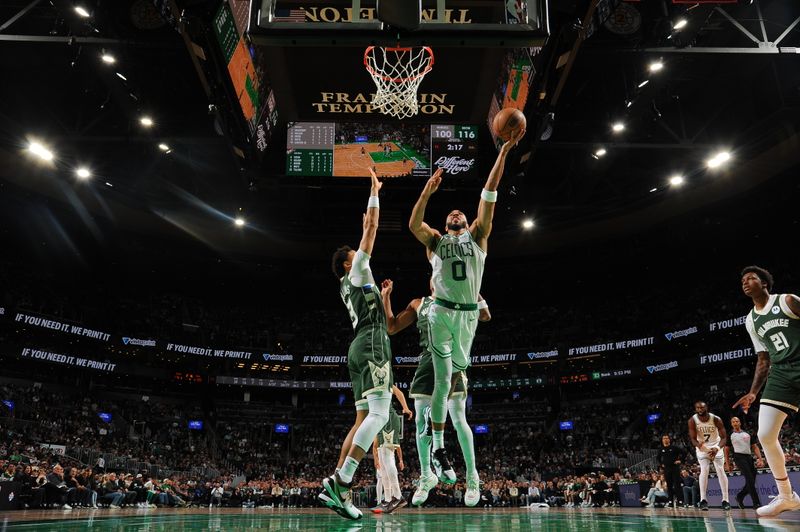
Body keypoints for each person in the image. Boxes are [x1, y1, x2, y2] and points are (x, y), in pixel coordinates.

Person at [408, 128, 524, 499]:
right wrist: (427, 191)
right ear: (445, 224)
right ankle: (439, 451)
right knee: (442, 379)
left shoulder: (478, 237)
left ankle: (452, 460)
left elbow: (488, 196)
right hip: (441, 313)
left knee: (456, 376)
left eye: (461, 212)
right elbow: (413, 225)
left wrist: (503, 152)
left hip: (468, 317)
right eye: (452, 213)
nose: (457, 213)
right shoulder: (436, 243)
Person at [320, 168, 393, 521]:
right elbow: (372, 229)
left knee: (363, 417)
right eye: (356, 251)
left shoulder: (348, 285)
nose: (360, 249)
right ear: (349, 263)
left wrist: (381, 298)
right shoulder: (358, 269)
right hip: (374, 343)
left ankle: (337, 487)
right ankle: (343, 478)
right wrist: (374, 192)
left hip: (357, 348)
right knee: (380, 416)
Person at [380, 279, 491, 507]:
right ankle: (426, 475)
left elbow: (485, 316)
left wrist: (472, 290)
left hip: (452, 361)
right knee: (421, 422)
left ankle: (472, 477)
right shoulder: (418, 303)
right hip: (427, 363)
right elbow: (391, 327)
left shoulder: (459, 300)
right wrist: (386, 295)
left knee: (459, 419)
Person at [733, 265, 800, 516]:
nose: (745, 282)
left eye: (751, 278)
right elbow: (763, 359)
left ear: (765, 283)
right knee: (766, 434)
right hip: (781, 373)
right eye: (742, 280)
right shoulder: (751, 320)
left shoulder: (787, 300)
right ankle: (787, 496)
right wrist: (753, 392)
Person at [688, 401, 731, 510]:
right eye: (697, 408)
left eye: (702, 407)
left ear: (706, 407)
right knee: (704, 470)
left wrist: (716, 448)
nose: (700, 410)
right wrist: (700, 446)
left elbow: (724, 438)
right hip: (702, 447)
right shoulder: (693, 420)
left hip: (716, 446)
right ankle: (703, 500)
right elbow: (692, 439)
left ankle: (725, 500)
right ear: (695, 409)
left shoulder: (716, 419)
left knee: (720, 470)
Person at [371, 406, 406, 514]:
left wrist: (404, 407)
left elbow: (396, 391)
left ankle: (398, 496)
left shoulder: (385, 389)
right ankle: (387, 499)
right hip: (382, 417)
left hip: (388, 417)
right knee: (382, 459)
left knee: (387, 455)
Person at [726, 416, 764, 509]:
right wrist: (727, 464)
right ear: (731, 424)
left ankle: (740, 496)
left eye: (737, 421)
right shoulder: (730, 434)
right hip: (738, 457)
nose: (735, 423)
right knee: (750, 480)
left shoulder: (747, 433)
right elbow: (726, 450)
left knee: (751, 481)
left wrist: (760, 458)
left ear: (740, 423)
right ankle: (756, 503)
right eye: (733, 421)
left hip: (749, 457)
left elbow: (754, 446)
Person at [658, 434, 686, 508]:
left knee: (677, 485)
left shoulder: (674, 448)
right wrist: (661, 464)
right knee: (669, 486)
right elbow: (658, 458)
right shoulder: (661, 449)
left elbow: (684, 452)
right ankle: (670, 501)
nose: (665, 439)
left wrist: (680, 460)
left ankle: (680, 501)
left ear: (669, 439)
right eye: (664, 438)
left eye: (667, 438)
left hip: (675, 468)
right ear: (662, 440)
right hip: (667, 469)